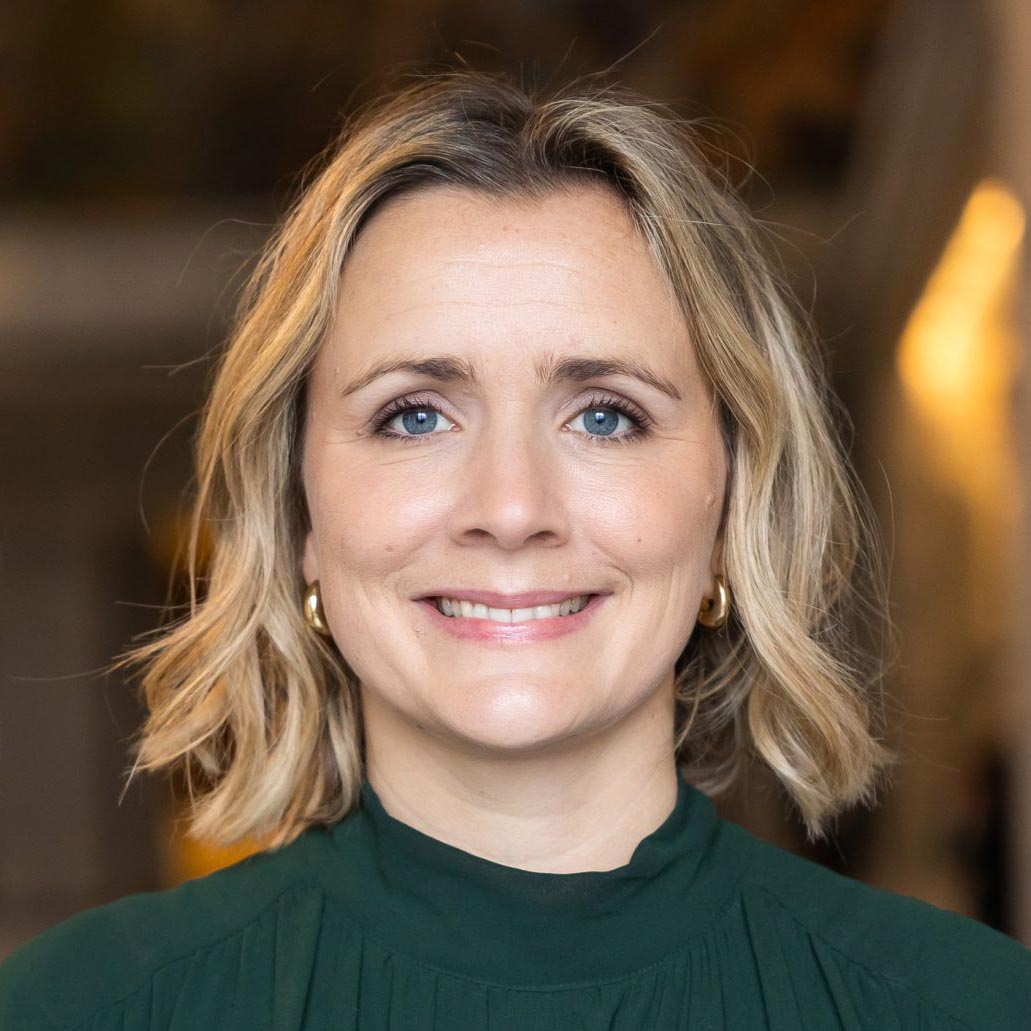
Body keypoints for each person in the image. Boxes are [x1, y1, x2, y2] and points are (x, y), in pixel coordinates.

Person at [2, 66, 1029, 1030]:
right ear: (299, 514)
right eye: (412, 415)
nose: (508, 505)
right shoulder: (76, 1008)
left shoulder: (966, 1006)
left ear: (729, 510)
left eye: (603, 415)